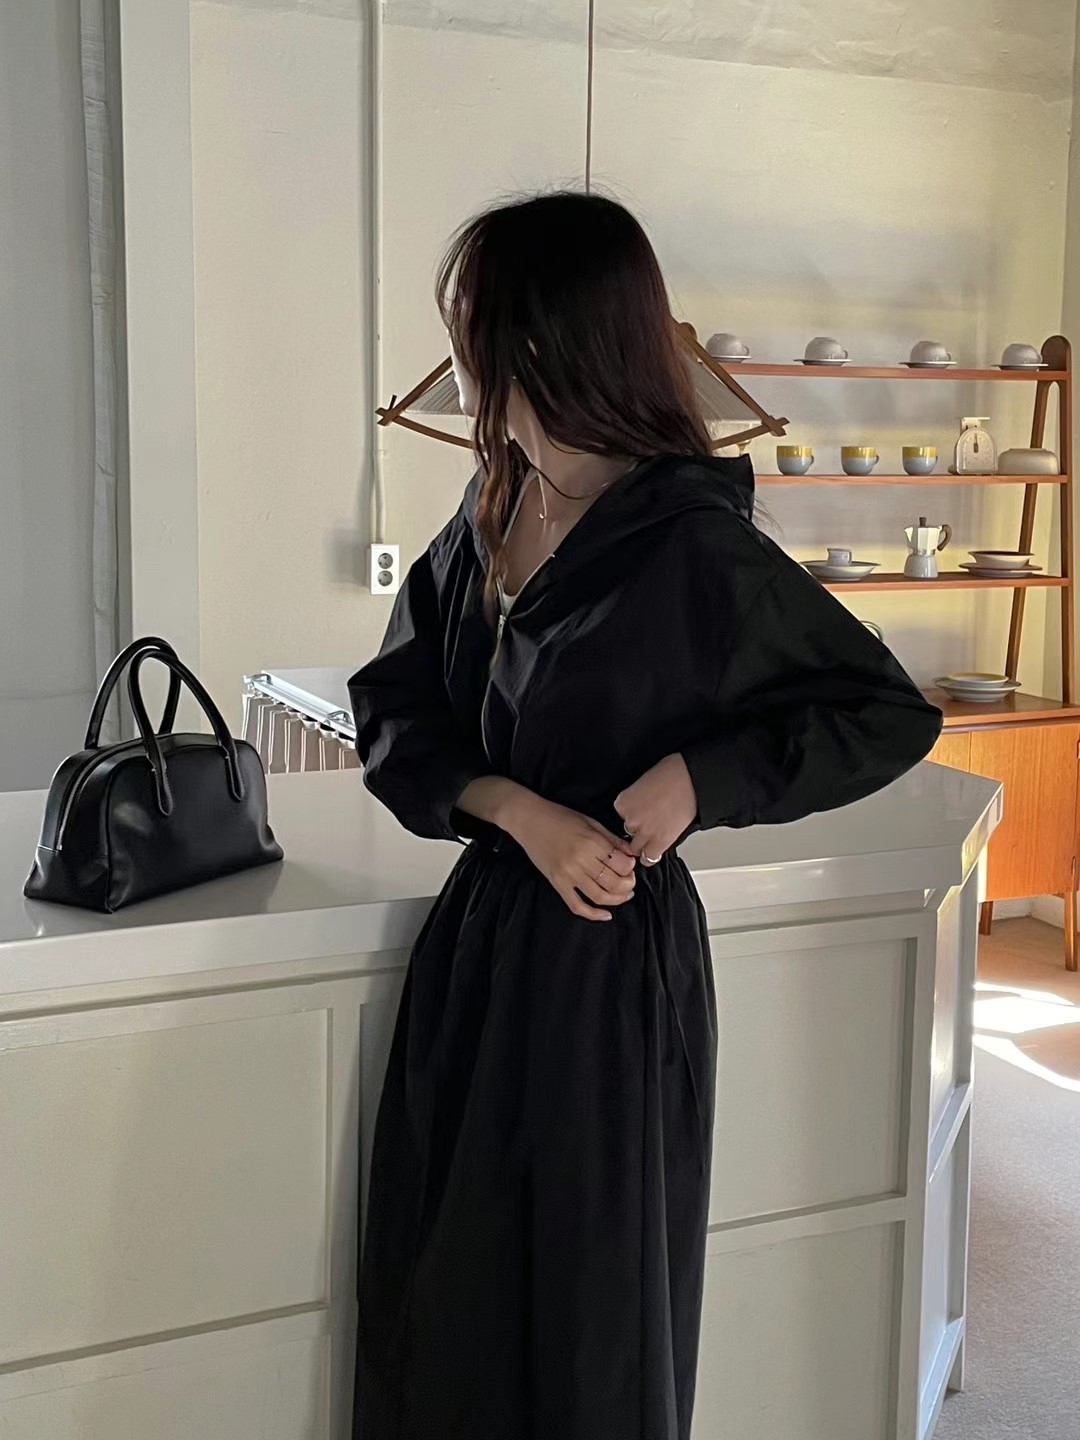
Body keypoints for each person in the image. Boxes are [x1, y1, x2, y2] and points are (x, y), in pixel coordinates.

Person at [348, 191, 942, 1440]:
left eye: (472, 313)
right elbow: (394, 710)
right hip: (484, 944)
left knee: (592, 1311)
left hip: (609, 970)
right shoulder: (494, 503)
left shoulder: (688, 541)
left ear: (536, 333)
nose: (456, 338)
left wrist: (701, 779)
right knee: (447, 1288)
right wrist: (516, 809)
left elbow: (885, 713)